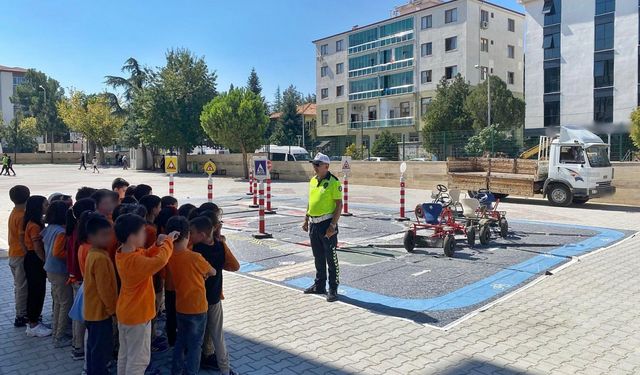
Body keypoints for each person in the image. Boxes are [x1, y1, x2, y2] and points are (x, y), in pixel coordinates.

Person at [114, 213, 175, 375]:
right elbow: (160, 261)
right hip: (138, 316)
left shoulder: (122, 253)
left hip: (127, 313)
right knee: (138, 361)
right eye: (142, 231)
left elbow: (145, 255)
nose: (145, 234)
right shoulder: (135, 261)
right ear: (132, 236)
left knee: (125, 355)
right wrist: (168, 241)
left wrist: (157, 244)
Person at [191, 215, 239, 374]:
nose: (190, 236)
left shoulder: (193, 249)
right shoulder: (220, 246)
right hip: (214, 297)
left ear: (202, 234)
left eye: (192, 233)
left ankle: (194, 366)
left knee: (196, 336)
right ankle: (225, 369)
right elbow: (234, 266)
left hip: (196, 300)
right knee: (217, 336)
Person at [167, 216, 215, 375]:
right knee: (195, 345)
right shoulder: (195, 257)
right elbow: (212, 271)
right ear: (188, 234)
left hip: (181, 306)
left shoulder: (169, 256)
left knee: (180, 341)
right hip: (197, 308)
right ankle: (191, 372)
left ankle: (176, 370)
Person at [302, 152, 343, 302]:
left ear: (326, 166)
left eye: (317, 164)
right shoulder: (313, 180)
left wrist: (332, 225)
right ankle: (319, 285)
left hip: (327, 224)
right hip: (314, 224)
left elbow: (339, 205)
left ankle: (333, 288)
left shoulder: (334, 182)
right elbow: (311, 201)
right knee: (318, 256)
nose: (314, 167)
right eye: (314, 164)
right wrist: (306, 218)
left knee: (331, 258)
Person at [83, 213, 118, 375]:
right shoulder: (100, 259)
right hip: (100, 313)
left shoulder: (93, 253)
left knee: (93, 347)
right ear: (90, 237)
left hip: (91, 311)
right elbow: (106, 289)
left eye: (109, 234)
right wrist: (113, 310)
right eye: (104, 235)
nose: (108, 238)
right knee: (100, 349)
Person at [65, 198, 97, 361]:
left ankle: (77, 345)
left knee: (81, 315)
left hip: (76, 278)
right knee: (82, 317)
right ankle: (78, 348)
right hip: (80, 280)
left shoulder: (76, 231)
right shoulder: (84, 241)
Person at [42, 201, 73, 347]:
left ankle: (56, 332)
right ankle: (59, 337)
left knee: (58, 302)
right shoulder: (60, 232)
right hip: (59, 271)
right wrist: (72, 254)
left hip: (50, 269)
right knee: (65, 303)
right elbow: (58, 252)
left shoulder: (50, 228)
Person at [23, 195, 52, 336]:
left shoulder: (33, 222)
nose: (47, 207)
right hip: (35, 259)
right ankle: (33, 324)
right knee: (36, 291)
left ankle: (34, 321)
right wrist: (45, 261)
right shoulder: (34, 225)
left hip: (31, 258)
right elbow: (37, 247)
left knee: (37, 290)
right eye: (45, 205)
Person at [8, 185, 30, 327]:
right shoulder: (22, 216)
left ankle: (22, 312)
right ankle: (21, 315)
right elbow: (23, 239)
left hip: (13, 253)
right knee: (22, 286)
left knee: (19, 285)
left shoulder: (15, 211)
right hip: (20, 255)